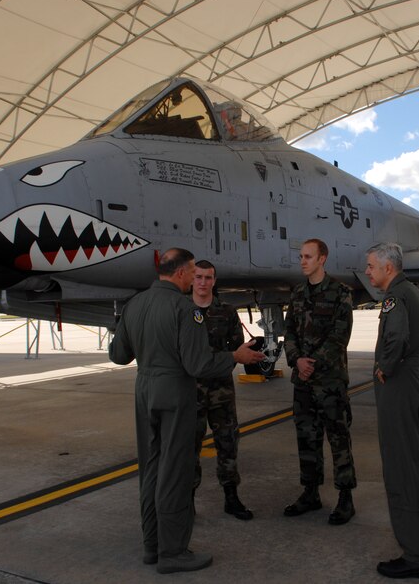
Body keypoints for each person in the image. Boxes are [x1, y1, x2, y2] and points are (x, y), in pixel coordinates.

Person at [108, 248, 264, 574]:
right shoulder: (186, 309)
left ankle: (152, 546)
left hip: (144, 391)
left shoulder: (134, 304)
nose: (196, 278)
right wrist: (235, 358)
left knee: (150, 469)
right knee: (175, 473)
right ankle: (174, 552)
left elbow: (119, 355)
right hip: (175, 393)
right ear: (181, 273)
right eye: (193, 271)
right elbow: (198, 363)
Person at [364, 242, 419, 579]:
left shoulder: (394, 297)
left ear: (388, 268)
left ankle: (416, 555)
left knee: (402, 468)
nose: (368, 272)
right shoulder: (414, 293)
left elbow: (396, 337)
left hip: (399, 385)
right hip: (415, 381)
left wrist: (386, 365)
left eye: (371, 266)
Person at [282, 238, 357, 525]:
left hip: (330, 382)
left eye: (308, 256)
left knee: (338, 440)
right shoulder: (298, 293)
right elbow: (289, 332)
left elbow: (340, 337)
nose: (302, 261)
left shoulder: (340, 293)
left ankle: (345, 498)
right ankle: (310, 493)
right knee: (306, 439)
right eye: (301, 256)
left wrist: (310, 365)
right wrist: (296, 360)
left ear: (322, 258)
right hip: (303, 383)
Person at [191, 259, 253, 520]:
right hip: (190, 393)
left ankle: (231, 496)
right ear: (192, 279)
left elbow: (237, 350)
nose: (203, 282)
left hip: (221, 392)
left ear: (214, 281)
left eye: (208, 277)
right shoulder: (181, 309)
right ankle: (187, 501)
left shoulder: (227, 311)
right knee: (188, 447)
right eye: (199, 277)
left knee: (227, 444)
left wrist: (224, 359)